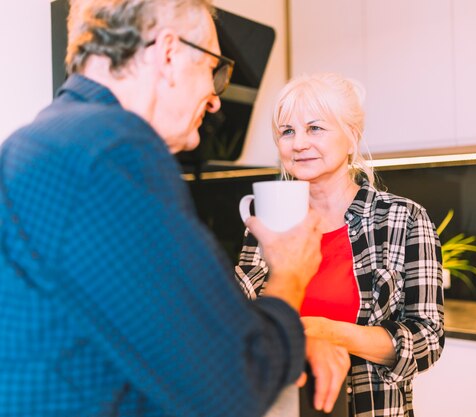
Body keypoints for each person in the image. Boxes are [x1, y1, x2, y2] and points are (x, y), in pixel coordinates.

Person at [0, 1, 349, 416]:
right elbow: (231, 385)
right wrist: (291, 273)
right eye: (212, 69)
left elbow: (157, 341)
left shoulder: (41, 141)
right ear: (168, 53)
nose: (216, 99)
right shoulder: (114, 150)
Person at [235, 73, 445, 417]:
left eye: (315, 128)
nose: (298, 143)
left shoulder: (403, 219)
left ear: (351, 138)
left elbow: (427, 340)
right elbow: (237, 316)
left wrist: (322, 330)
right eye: (287, 131)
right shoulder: (267, 218)